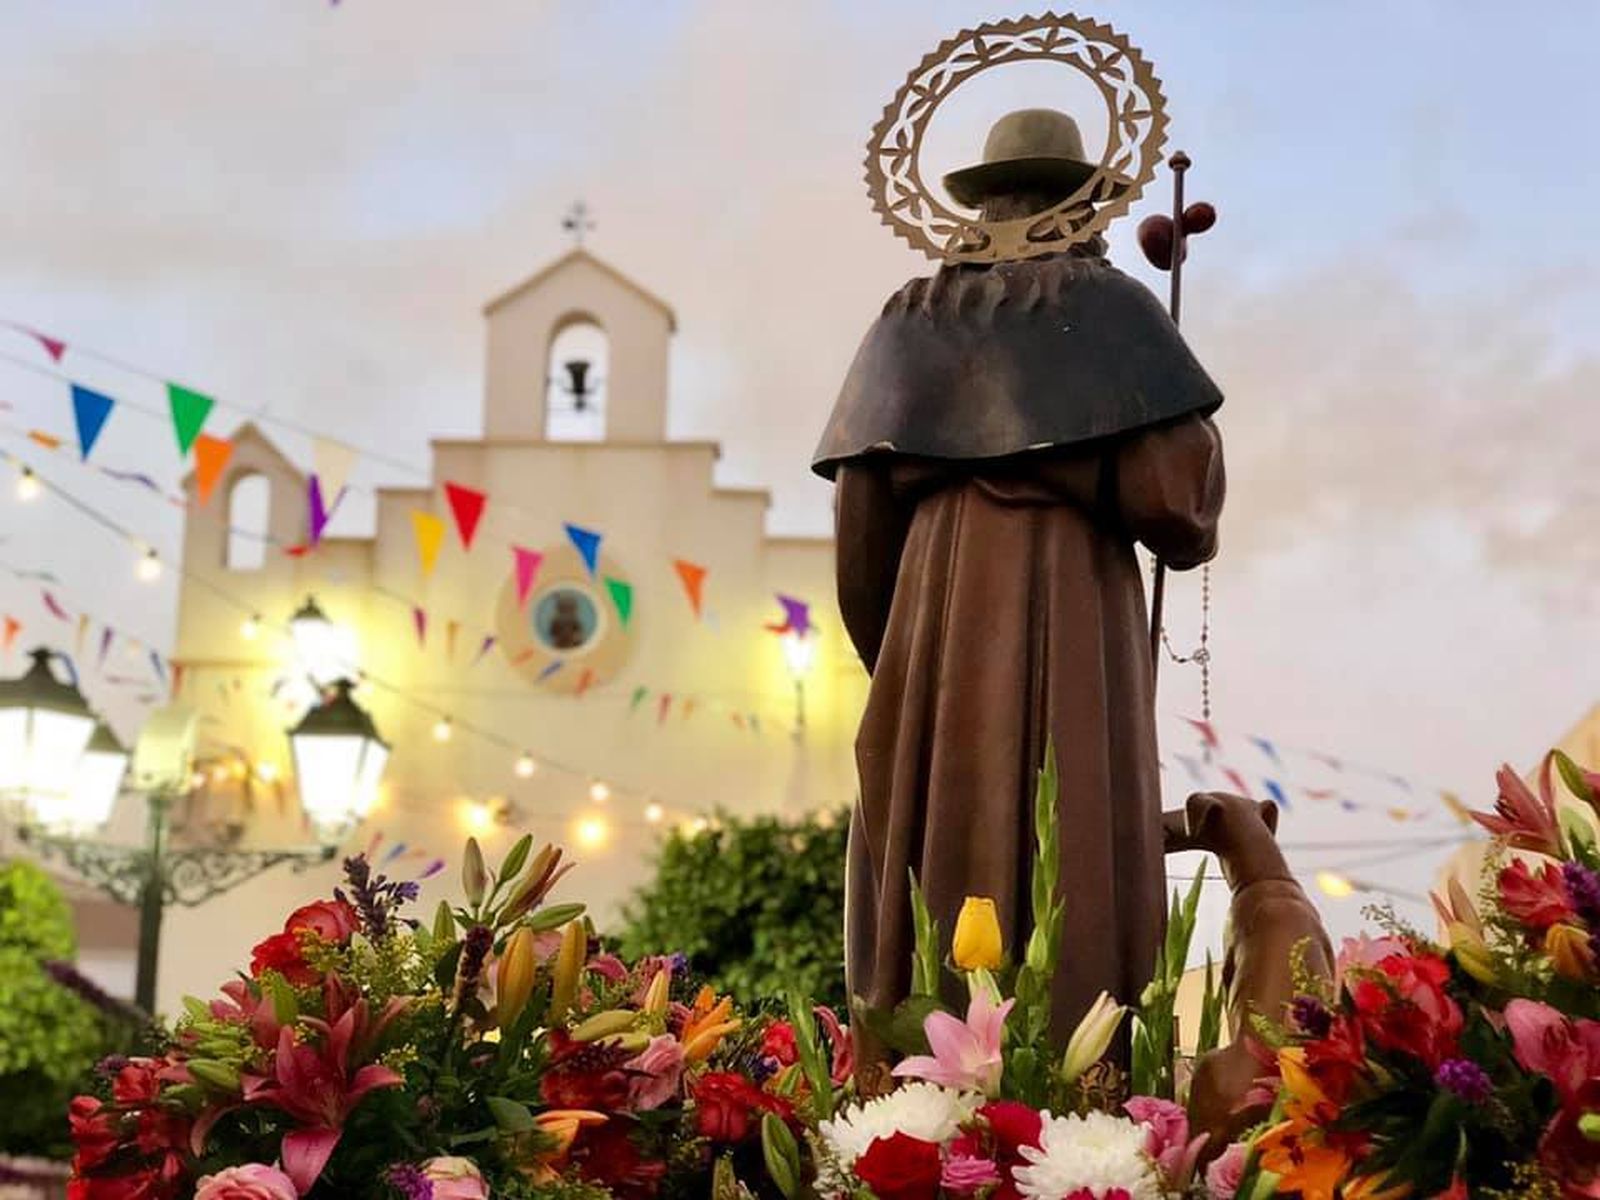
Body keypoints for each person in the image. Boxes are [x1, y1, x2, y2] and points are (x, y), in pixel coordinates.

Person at [814, 108, 1226, 1053]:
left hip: (933, 612)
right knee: (1076, 815)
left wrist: (915, 669)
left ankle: (914, 1089)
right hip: (1076, 600)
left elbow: (860, 539)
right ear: (1085, 197)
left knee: (931, 831)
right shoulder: (1114, 309)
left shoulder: (907, 319)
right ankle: (1086, 1093)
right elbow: (1176, 507)